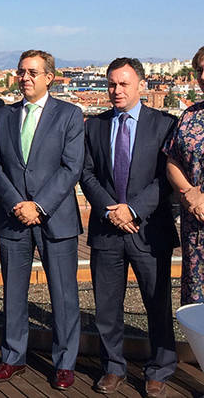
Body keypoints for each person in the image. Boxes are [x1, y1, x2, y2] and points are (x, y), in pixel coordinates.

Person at [0, 50, 84, 390]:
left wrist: (38, 205)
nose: (25, 78)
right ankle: (13, 357)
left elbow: (72, 167)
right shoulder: (2, 117)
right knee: (13, 291)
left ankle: (65, 363)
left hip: (55, 217)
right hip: (14, 218)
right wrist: (17, 203)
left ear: (49, 77)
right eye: (21, 72)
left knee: (64, 294)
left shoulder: (70, 115)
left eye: (33, 73)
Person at [81, 57, 177, 397]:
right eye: (111, 84)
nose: (116, 90)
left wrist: (134, 210)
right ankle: (113, 367)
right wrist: (112, 211)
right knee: (107, 307)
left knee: (157, 303)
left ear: (141, 86)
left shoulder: (165, 125)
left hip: (149, 231)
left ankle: (160, 369)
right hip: (107, 229)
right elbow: (86, 173)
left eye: (123, 84)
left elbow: (166, 177)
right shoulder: (94, 125)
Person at [165, 45, 204, 305]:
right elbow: (172, 159)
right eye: (200, 70)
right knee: (197, 305)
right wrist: (190, 193)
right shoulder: (189, 115)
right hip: (195, 223)